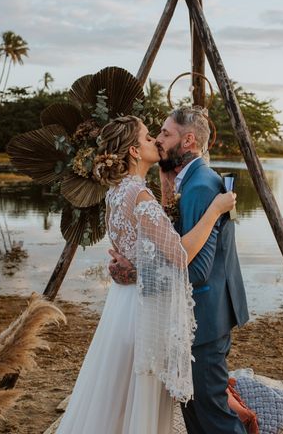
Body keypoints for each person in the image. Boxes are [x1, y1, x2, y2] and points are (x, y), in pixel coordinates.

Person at [51, 115, 236, 434]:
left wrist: (133, 267)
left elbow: (140, 248)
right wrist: (216, 210)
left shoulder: (116, 192)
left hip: (121, 307)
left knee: (117, 397)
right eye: (149, 137)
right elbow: (180, 256)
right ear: (134, 151)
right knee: (139, 400)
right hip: (142, 315)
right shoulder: (139, 196)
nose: (156, 141)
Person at [109, 106, 250, 434]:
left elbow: (197, 270)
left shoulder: (201, 185)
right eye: (155, 134)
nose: (158, 140)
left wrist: (135, 274)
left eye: (165, 134)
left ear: (188, 141)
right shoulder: (182, 180)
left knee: (213, 413)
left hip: (205, 317)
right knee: (194, 413)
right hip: (190, 318)